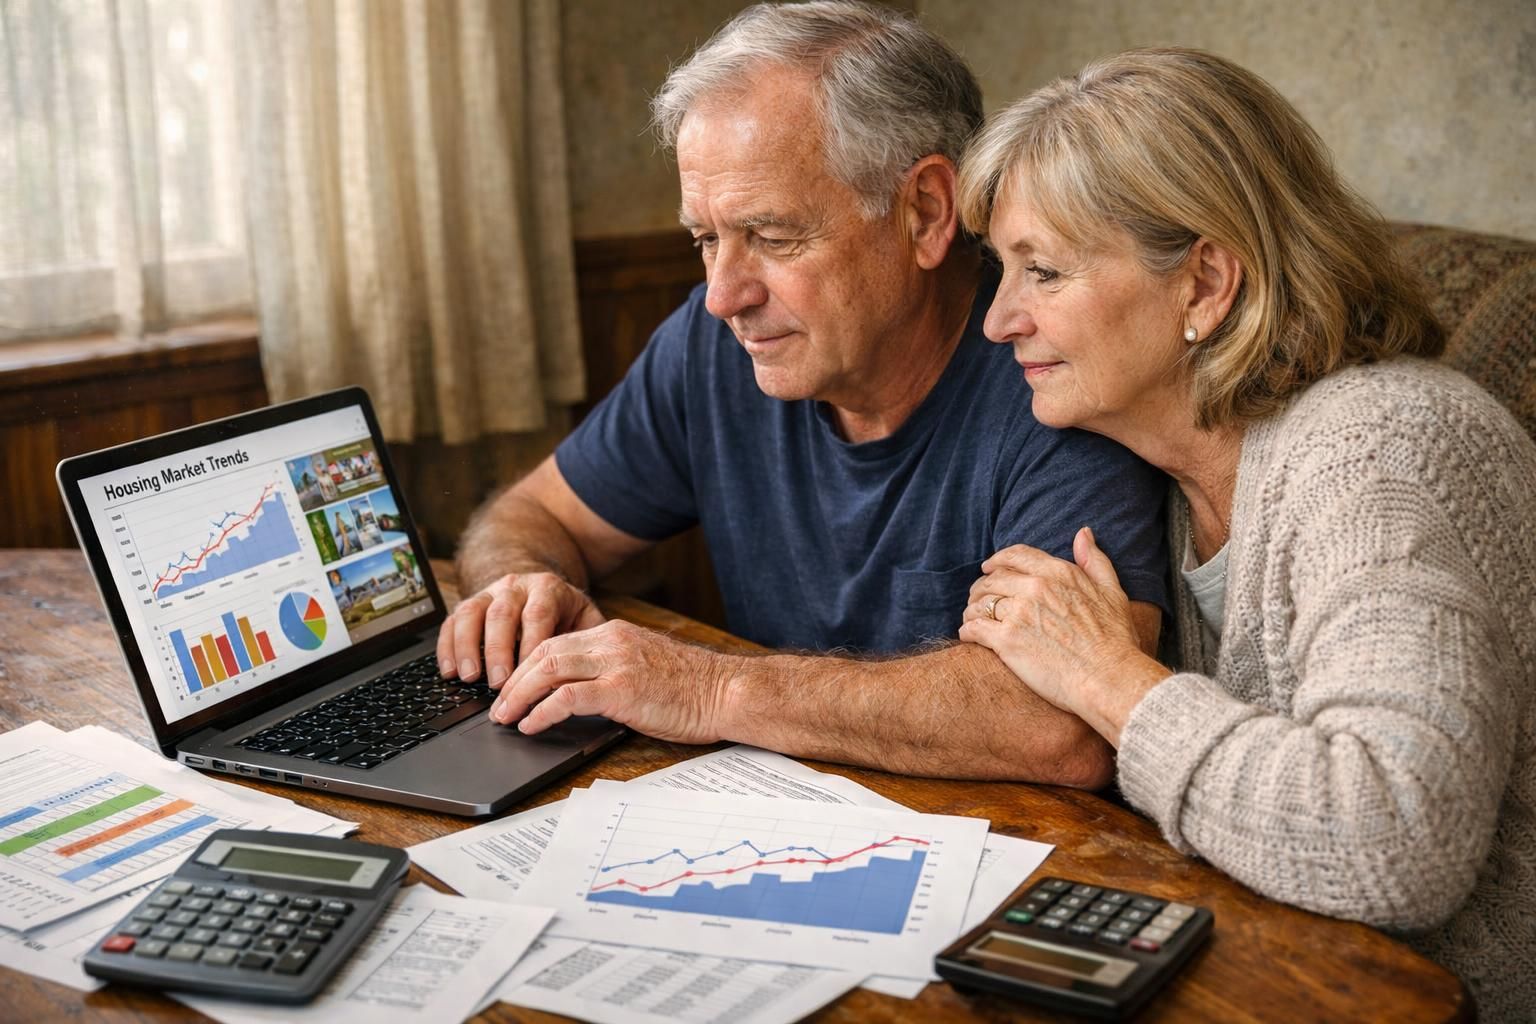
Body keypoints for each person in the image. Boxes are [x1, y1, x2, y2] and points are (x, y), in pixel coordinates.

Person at [437, 1, 1171, 784]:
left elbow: (1068, 721)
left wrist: (711, 687)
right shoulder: (713, 344)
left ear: (924, 212)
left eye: (774, 237)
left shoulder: (1055, 368)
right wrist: (518, 588)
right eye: (706, 240)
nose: (724, 295)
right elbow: (533, 515)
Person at [953, 47, 1535, 1019]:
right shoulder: (1176, 475)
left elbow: (1393, 844)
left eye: (1043, 272)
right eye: (1002, 273)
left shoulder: (1385, 450)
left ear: (1206, 283)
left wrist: (1107, 678)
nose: (999, 320)